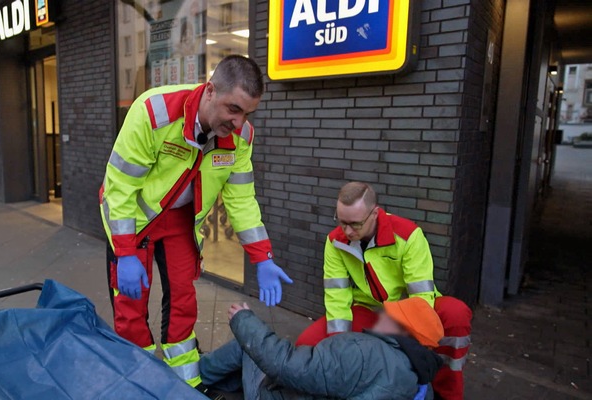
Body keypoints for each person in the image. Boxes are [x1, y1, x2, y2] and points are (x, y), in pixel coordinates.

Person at [99, 55, 292, 394]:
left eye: (247, 113)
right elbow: (120, 189)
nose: (239, 121)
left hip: (180, 223)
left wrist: (262, 257)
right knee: (129, 307)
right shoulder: (155, 112)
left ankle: (187, 383)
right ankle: (138, 383)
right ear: (210, 90)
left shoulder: (241, 137)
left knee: (183, 302)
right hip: (133, 220)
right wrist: (125, 251)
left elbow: (241, 200)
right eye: (233, 109)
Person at [295, 182, 472, 400]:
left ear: (375, 214)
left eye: (355, 224)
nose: (347, 231)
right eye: (342, 222)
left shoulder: (408, 235)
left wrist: (406, 339)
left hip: (411, 310)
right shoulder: (335, 241)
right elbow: (336, 295)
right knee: (305, 345)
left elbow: (422, 297)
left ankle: (447, 393)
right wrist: (339, 345)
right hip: (368, 309)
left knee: (455, 313)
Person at [200, 297, 444, 400]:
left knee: (247, 344)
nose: (381, 316)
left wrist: (243, 319)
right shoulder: (424, 388)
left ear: (402, 330)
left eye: (390, 315)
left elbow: (286, 366)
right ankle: (223, 383)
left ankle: (195, 378)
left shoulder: (365, 353)